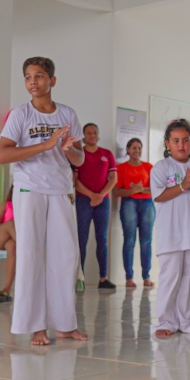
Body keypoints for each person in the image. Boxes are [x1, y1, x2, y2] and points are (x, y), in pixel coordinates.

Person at [0, 56, 90, 346]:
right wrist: (45, 145)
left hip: (61, 189)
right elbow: (3, 154)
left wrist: (67, 149)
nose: (33, 82)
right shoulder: (20, 114)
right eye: (28, 77)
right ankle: (36, 326)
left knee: (66, 256)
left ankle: (65, 325)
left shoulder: (67, 114)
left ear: (52, 80)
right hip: (29, 189)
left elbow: (80, 158)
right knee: (31, 255)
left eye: (38, 76)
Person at [151, 120, 190, 337]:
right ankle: (165, 322)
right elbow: (159, 195)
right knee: (170, 278)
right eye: (176, 141)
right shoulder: (161, 167)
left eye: (186, 140)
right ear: (167, 144)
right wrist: (182, 186)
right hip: (170, 233)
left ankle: (186, 320)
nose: (181, 145)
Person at [73, 123, 118, 290]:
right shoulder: (79, 155)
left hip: (102, 202)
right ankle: (80, 277)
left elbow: (113, 178)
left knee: (102, 239)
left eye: (94, 132)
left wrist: (100, 195)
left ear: (98, 135)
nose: (92, 135)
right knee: (81, 239)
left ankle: (103, 278)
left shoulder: (107, 154)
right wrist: (92, 195)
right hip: (83, 200)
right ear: (84, 136)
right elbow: (75, 181)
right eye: (89, 133)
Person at [115, 137, 155, 289]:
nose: (136, 151)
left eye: (139, 148)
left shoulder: (149, 167)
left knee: (146, 241)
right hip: (129, 203)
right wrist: (132, 191)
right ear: (128, 150)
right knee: (129, 241)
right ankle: (129, 277)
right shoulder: (121, 168)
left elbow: (156, 189)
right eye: (133, 148)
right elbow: (117, 191)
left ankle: (146, 276)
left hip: (147, 204)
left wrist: (140, 189)